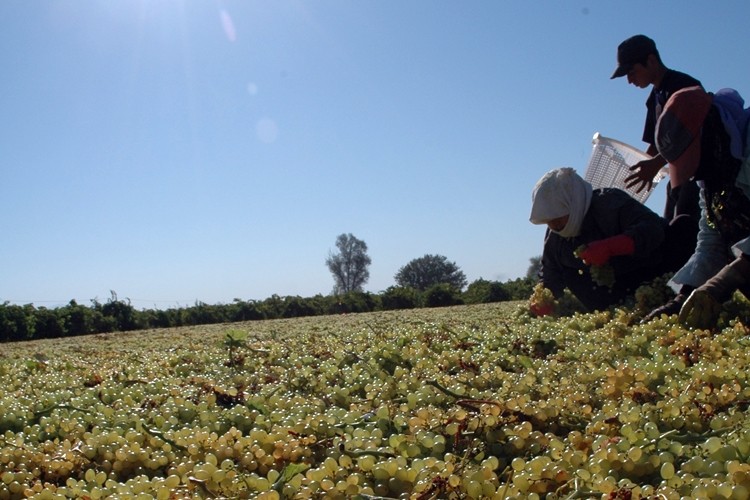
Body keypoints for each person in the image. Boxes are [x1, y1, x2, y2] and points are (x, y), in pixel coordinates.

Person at [643, 86, 750, 328]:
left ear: (710, 131)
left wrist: (731, 275)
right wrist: (684, 295)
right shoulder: (712, 175)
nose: (695, 174)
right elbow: (711, 238)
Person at [529, 167, 679, 312]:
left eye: (557, 217)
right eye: (548, 220)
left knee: (682, 227)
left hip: (650, 273)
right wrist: (544, 298)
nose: (553, 225)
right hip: (612, 295)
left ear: (573, 204)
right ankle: (613, 312)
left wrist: (611, 246)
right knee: (570, 273)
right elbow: (550, 270)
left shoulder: (609, 203)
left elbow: (652, 228)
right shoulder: (556, 236)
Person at [611, 35, 702, 234]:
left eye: (632, 72)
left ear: (651, 61)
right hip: (677, 181)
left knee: (686, 235)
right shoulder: (654, 98)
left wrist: (654, 164)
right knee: (667, 230)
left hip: (698, 180)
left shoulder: (684, 87)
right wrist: (636, 173)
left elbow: (692, 136)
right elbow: (654, 145)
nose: (629, 80)